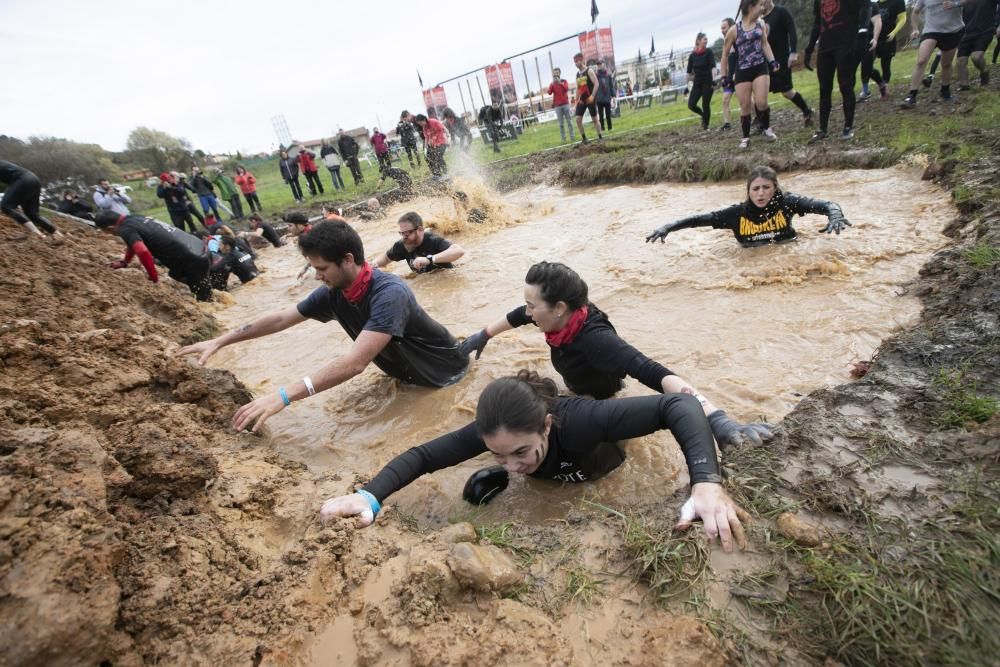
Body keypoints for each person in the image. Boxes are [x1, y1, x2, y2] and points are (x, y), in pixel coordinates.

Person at [319, 369, 751, 553]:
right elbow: (424, 455)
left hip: (606, 463)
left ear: (546, 426)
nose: (512, 465)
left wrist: (706, 482)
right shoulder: (497, 434)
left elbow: (679, 407)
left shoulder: (581, 421)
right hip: (559, 474)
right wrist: (369, 497)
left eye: (521, 452)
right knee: (479, 489)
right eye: (499, 453)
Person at [175, 219, 469, 432]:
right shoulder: (335, 292)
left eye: (321, 269)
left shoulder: (389, 293)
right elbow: (280, 318)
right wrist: (220, 341)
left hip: (448, 373)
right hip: (411, 375)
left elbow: (354, 364)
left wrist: (283, 396)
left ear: (347, 260)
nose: (317, 276)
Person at [457, 261, 772, 447]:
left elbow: (655, 373)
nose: (527, 312)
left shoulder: (596, 339)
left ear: (560, 308)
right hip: (575, 385)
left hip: (601, 402)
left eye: (532, 306)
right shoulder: (557, 313)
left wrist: (718, 420)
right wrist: (482, 335)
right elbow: (517, 315)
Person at [645, 165, 851, 247]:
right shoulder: (736, 214)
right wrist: (668, 227)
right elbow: (698, 220)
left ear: (775, 188)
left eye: (766, 187)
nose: (761, 193)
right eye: (755, 189)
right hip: (750, 260)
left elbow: (826, 204)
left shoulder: (787, 203)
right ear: (748, 191)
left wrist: (835, 214)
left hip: (787, 250)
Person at [95, 210, 212, 301]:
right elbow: (132, 245)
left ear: (110, 228)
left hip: (193, 260)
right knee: (177, 275)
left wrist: (153, 277)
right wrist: (125, 262)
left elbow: (142, 251)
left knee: (204, 300)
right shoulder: (134, 217)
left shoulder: (125, 229)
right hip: (201, 249)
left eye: (108, 232)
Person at [804, 0, 873, 139]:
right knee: (824, 88)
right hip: (825, 46)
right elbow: (818, 22)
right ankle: (823, 129)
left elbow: (866, 5)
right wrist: (810, 48)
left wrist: (863, 30)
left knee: (845, 85)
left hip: (846, 42)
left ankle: (848, 127)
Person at [722, 0, 780, 149]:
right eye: (759, 5)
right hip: (742, 70)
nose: (762, 8)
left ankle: (766, 129)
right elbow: (724, 55)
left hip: (760, 67)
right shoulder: (734, 31)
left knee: (761, 102)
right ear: (750, 7)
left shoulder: (760, 24)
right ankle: (746, 137)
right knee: (745, 105)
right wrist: (724, 76)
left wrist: (772, 61)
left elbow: (765, 44)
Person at [900, 0, 966, 108]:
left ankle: (945, 91)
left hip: (953, 31)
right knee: (921, 61)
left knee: (946, 64)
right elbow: (915, 12)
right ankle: (911, 96)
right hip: (931, 30)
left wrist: (955, 4)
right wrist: (915, 29)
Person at [762, 0, 815, 126]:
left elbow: (792, 31)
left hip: (781, 58)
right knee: (761, 93)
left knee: (787, 92)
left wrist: (793, 52)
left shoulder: (781, 12)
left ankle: (807, 111)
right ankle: (762, 125)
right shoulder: (759, 19)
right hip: (766, 61)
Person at [372, 211, 465, 274]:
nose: (404, 236)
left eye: (408, 232)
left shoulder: (432, 239)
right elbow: (386, 259)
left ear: (420, 229)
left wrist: (429, 260)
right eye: (402, 233)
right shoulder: (402, 245)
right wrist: (373, 266)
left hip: (446, 278)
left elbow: (458, 251)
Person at [0, 160, 62, 238]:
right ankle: (58, 235)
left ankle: (37, 234)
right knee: (32, 214)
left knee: (6, 206)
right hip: (33, 180)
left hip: (23, 180)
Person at [862, 0, 909, 99]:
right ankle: (879, 84)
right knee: (867, 65)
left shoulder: (898, 2)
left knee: (885, 64)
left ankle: (885, 89)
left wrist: (893, 32)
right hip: (873, 38)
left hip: (888, 38)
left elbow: (903, 18)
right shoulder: (875, 4)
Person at [956, 0, 998, 89]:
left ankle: (984, 72)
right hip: (968, 32)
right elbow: (964, 17)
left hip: (986, 30)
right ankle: (964, 86)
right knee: (961, 60)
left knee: (976, 57)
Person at [687, 33, 717, 131]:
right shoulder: (692, 55)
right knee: (691, 105)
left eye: (707, 39)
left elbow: (713, 67)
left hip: (708, 82)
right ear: (698, 41)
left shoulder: (708, 52)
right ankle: (703, 115)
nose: (706, 40)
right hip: (697, 84)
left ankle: (706, 125)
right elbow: (689, 72)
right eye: (704, 39)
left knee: (705, 104)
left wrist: (714, 79)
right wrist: (687, 86)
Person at [854, 4, 885, 101]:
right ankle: (851, 96)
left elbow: (878, 21)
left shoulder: (871, 5)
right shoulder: (849, 6)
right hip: (854, 42)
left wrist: (875, 38)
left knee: (867, 68)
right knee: (850, 70)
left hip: (868, 41)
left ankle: (879, 85)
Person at [572, 52, 603, 144]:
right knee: (578, 119)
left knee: (594, 119)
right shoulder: (577, 74)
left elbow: (596, 83)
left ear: (581, 60)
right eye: (574, 62)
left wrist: (593, 96)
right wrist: (576, 102)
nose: (575, 64)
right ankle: (584, 139)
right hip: (582, 100)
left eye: (576, 62)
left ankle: (600, 137)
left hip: (590, 98)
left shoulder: (589, 71)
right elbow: (578, 88)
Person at [718, 18, 738, 131]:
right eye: (721, 28)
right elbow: (723, 61)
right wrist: (723, 76)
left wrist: (736, 73)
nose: (722, 30)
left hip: (740, 74)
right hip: (730, 77)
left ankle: (758, 118)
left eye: (724, 27)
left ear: (731, 27)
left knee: (747, 101)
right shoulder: (725, 43)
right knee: (725, 99)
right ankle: (727, 124)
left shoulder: (738, 40)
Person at [547, 68, 576, 142]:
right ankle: (563, 139)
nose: (556, 74)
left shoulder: (564, 81)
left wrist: (560, 83)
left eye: (557, 73)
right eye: (554, 73)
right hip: (557, 106)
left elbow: (566, 89)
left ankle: (572, 136)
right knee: (561, 124)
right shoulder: (552, 83)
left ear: (560, 73)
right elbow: (549, 92)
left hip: (565, 104)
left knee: (569, 121)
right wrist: (552, 84)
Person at [594, 60, 614, 132]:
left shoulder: (608, 75)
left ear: (604, 65)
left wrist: (613, 96)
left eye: (600, 64)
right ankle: (602, 128)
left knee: (608, 114)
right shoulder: (596, 75)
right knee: (601, 115)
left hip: (607, 97)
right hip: (599, 98)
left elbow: (611, 86)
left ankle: (610, 128)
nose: (599, 66)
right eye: (598, 65)